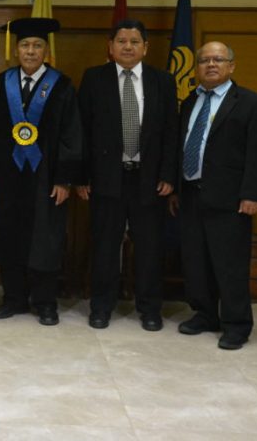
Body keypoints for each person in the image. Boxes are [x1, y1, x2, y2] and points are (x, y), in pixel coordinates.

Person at [76, 19, 178, 331]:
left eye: (135, 41)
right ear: (110, 46)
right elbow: (82, 130)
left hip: (149, 180)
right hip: (107, 178)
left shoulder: (163, 81)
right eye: (121, 41)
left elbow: (171, 133)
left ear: (146, 47)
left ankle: (149, 309)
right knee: (106, 245)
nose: (128, 46)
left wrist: (168, 175)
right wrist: (81, 177)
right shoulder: (94, 79)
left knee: (149, 247)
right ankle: (101, 306)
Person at [169, 41, 257, 350]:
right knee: (196, 261)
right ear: (197, 67)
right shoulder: (190, 102)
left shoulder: (252, 103)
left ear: (231, 66)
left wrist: (252, 194)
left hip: (230, 199)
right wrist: (176, 188)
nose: (210, 65)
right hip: (190, 195)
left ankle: (237, 324)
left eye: (218, 59)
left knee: (230, 264)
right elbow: (181, 147)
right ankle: (205, 315)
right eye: (204, 60)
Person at [0, 17, 81, 326]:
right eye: (25, 45)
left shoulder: (62, 85)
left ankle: (45, 302)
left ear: (46, 50)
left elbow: (71, 135)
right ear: (16, 49)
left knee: (45, 239)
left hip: (46, 177)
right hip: (10, 176)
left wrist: (65, 178)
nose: (30, 51)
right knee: (10, 236)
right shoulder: (1, 83)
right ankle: (13, 298)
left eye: (37, 45)